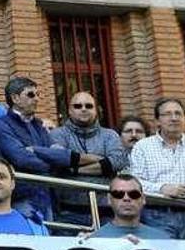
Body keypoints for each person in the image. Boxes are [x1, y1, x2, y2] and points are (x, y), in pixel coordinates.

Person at [0, 78, 100, 221]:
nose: (37, 99)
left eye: (38, 94)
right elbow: (22, 159)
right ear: (15, 98)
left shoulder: (38, 125)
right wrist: (55, 163)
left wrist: (36, 150)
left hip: (48, 195)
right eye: (30, 95)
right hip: (23, 196)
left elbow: (58, 152)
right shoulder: (1, 125)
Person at [128, 98, 185, 239]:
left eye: (178, 113)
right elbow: (134, 183)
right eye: (167, 114)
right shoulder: (143, 146)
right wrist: (163, 189)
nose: (174, 118)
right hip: (155, 213)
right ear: (157, 121)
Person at [49, 91, 128, 227]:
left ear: (96, 110)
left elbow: (117, 162)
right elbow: (61, 159)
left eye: (89, 106)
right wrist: (102, 160)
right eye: (78, 106)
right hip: (68, 212)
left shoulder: (110, 135)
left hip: (107, 212)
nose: (84, 109)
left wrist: (74, 168)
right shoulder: (57, 134)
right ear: (70, 110)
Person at [89, 173, 169, 240]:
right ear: (109, 199)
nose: (126, 198)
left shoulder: (163, 239)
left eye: (134, 194)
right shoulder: (95, 240)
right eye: (118, 194)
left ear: (143, 199)